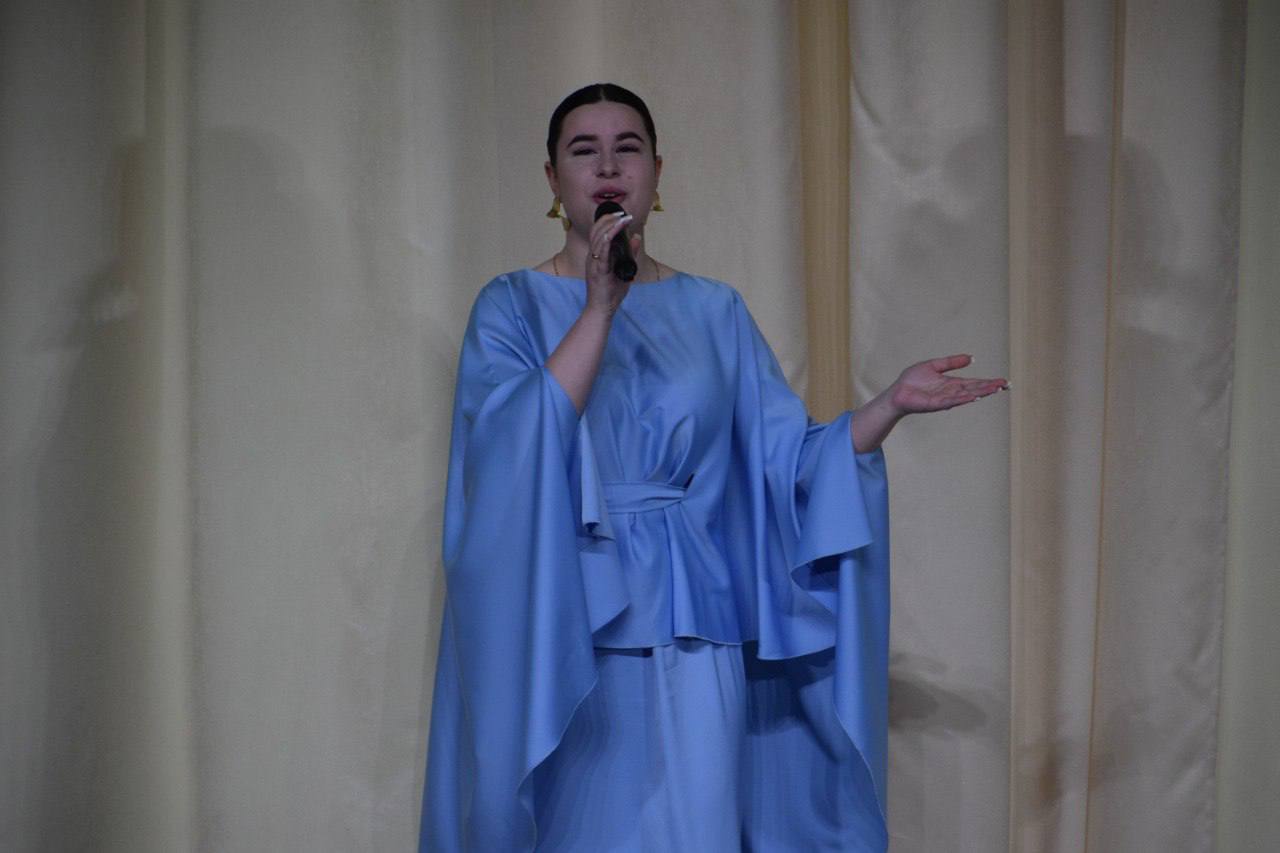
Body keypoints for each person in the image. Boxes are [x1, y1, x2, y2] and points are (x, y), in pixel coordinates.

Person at [421, 83, 1007, 852]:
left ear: (657, 173)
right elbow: (507, 461)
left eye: (628, 148)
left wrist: (885, 407)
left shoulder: (714, 311)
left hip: (697, 627)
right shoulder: (510, 306)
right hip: (568, 631)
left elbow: (789, 464)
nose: (608, 167)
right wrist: (600, 307)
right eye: (584, 150)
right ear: (553, 177)